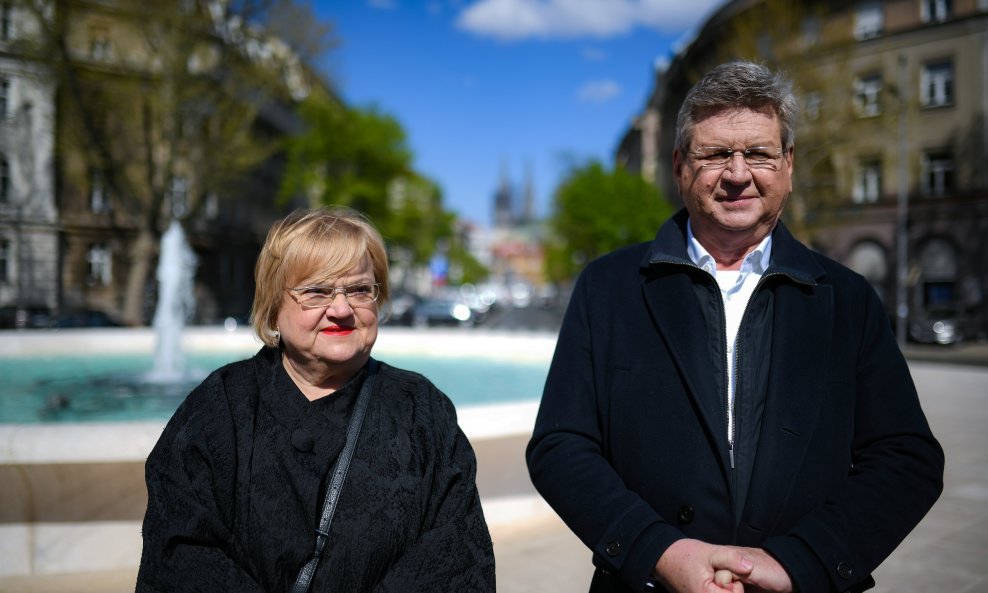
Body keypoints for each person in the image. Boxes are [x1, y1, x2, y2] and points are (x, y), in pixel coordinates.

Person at [526, 60, 944, 593]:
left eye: (759, 154)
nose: (738, 174)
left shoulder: (847, 298)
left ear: (788, 164)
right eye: (716, 154)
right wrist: (659, 551)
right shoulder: (609, 287)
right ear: (680, 165)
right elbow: (560, 445)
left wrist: (801, 562)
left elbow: (906, 458)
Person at [137, 207, 495, 592]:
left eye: (359, 290)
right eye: (316, 291)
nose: (341, 310)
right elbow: (179, 554)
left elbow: (456, 557)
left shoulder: (421, 410)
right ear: (274, 306)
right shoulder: (220, 407)